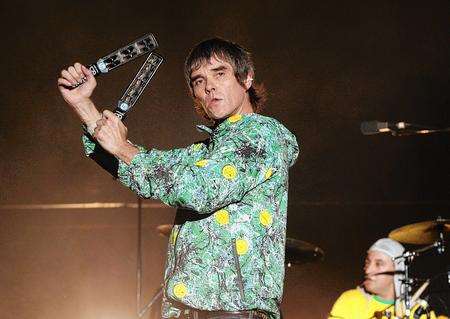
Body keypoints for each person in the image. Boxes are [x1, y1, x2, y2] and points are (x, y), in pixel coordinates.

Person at [57, 38, 299, 319]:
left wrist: (123, 148)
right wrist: (84, 105)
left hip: (233, 313)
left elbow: (199, 188)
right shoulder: (205, 152)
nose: (208, 86)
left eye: (219, 74)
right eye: (198, 80)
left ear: (246, 79)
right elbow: (142, 169)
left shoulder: (262, 136)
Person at [329, 238, 438, 319]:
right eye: (367, 262)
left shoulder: (419, 311)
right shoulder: (351, 300)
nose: (367, 270)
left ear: (398, 270)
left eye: (378, 264)